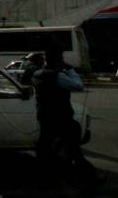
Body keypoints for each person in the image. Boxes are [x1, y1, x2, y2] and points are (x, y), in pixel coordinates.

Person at [32, 45, 99, 188]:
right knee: (73, 148)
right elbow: (78, 86)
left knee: (46, 145)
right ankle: (89, 177)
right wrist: (70, 70)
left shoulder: (38, 74)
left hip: (44, 114)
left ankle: (45, 174)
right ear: (58, 60)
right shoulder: (59, 76)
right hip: (62, 116)